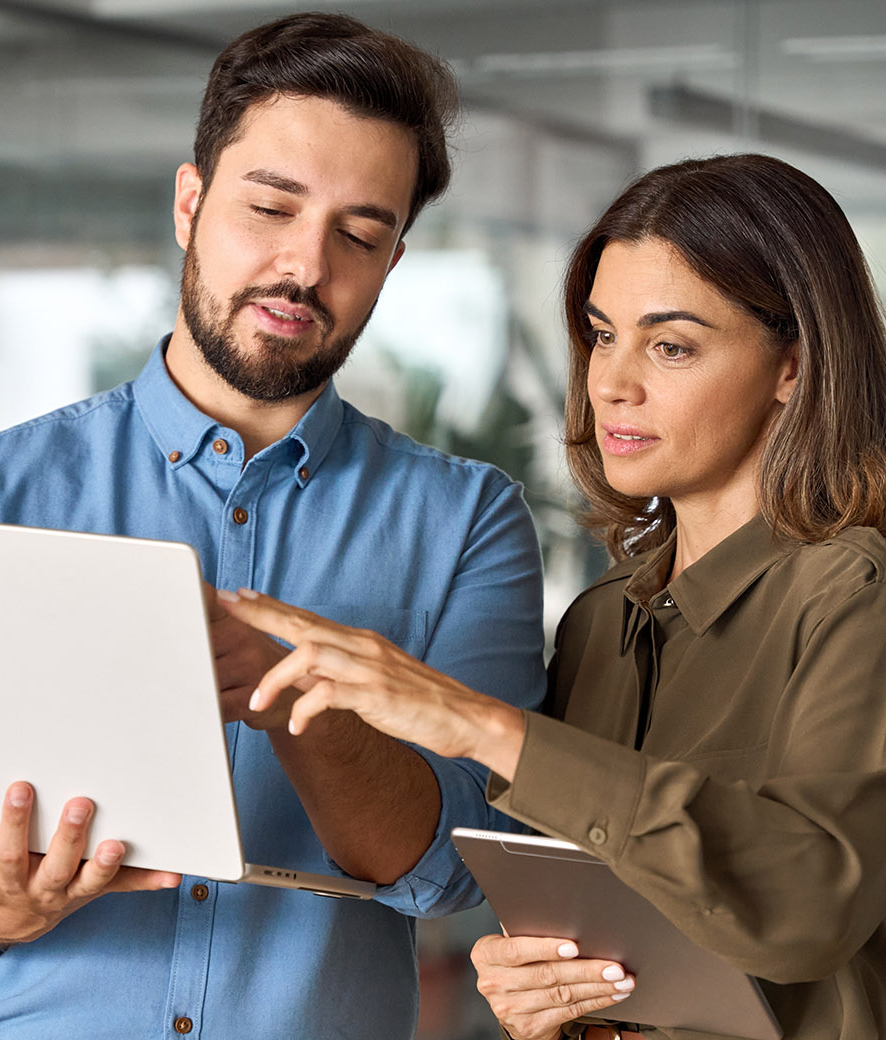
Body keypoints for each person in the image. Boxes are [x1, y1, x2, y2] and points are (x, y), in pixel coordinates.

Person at [0, 12, 547, 1039]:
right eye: (269, 206)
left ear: (392, 262)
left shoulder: (466, 520)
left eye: (359, 234)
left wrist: (288, 689)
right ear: (189, 203)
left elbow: (452, 871)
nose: (304, 266)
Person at [221, 152, 886, 1040]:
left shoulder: (857, 595)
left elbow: (808, 903)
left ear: (793, 367)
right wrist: (539, 990)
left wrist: (478, 725)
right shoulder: (600, 622)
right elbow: (612, 928)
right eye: (604, 334)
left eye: (673, 345)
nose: (612, 380)